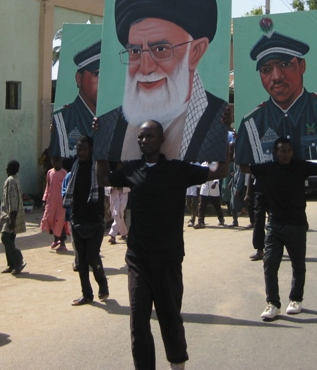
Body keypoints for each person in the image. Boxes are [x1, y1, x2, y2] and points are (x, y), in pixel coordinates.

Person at [96, 119, 228, 370]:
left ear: (162, 139)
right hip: (138, 259)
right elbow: (103, 178)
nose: (144, 141)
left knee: (169, 317)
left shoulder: (178, 170)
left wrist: (222, 132)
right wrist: (101, 140)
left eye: (149, 136)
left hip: (168, 258)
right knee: (138, 321)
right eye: (141, 137)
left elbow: (219, 171)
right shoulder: (132, 170)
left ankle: (177, 363)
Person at [94, 0, 229, 163]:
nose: (146, 67)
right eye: (135, 51)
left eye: (160, 50)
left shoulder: (220, 119)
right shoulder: (108, 124)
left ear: (195, 52)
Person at [242, 136, 317, 320]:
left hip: (297, 224)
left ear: (293, 152)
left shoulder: (300, 166)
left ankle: (296, 299)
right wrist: (240, 141)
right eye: (282, 151)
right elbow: (244, 166)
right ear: (275, 153)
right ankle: (273, 303)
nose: (286, 154)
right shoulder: (268, 169)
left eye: (289, 150)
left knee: (298, 265)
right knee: (269, 265)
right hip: (275, 225)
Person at [236, 28, 317, 165]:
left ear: (302, 66)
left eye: (285, 64)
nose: (276, 77)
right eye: (266, 70)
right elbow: (244, 168)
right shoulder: (251, 124)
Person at [62, 136, 109, 305]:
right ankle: (87, 294)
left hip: (95, 221)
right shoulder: (74, 166)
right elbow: (56, 155)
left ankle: (103, 285)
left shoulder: (98, 168)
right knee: (81, 261)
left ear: (91, 150)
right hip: (77, 219)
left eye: (84, 149)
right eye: (79, 149)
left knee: (92, 257)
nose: (81, 152)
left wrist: (98, 131)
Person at [49, 41, 101, 167]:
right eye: (97, 74)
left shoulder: (115, 119)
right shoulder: (63, 119)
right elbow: (56, 162)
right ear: (79, 78)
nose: (103, 82)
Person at [0, 160, 26, 275]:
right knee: (10, 240)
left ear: (11, 169)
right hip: (6, 214)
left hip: (10, 216)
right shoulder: (15, 180)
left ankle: (18, 260)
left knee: (5, 237)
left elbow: (13, 201)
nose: (6, 170)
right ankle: (11, 265)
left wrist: (12, 219)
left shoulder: (10, 181)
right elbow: (4, 200)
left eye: (7, 168)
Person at [41, 163, 69, 251]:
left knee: (60, 221)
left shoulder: (64, 173)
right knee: (50, 219)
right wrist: (44, 200)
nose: (55, 161)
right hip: (51, 201)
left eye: (57, 159)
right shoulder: (50, 172)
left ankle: (63, 242)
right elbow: (47, 187)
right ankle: (56, 239)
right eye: (53, 159)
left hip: (61, 202)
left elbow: (67, 187)